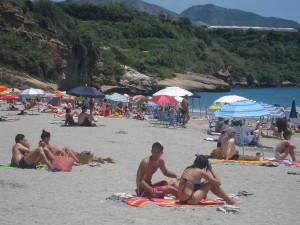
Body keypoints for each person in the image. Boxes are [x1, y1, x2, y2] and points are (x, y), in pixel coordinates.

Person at [40, 130, 115, 164]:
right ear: (46, 138)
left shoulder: (46, 144)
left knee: (81, 157)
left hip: (64, 153)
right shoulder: (43, 144)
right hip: (63, 154)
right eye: (49, 137)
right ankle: (104, 159)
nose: (50, 138)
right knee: (81, 157)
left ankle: (102, 159)